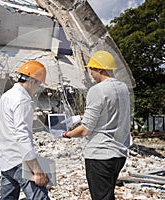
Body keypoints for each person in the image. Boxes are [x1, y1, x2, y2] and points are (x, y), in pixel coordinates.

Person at [54, 50, 131, 200]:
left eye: (92, 69)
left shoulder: (97, 90)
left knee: (101, 197)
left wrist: (65, 134)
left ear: (100, 69)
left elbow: (85, 130)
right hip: (119, 153)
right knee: (107, 194)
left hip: (100, 154)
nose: (90, 73)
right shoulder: (123, 88)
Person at [0, 60, 50, 200]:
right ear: (32, 81)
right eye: (39, 85)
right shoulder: (23, 100)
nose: (38, 89)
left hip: (6, 160)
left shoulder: (6, 96)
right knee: (39, 197)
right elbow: (23, 135)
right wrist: (37, 170)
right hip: (20, 161)